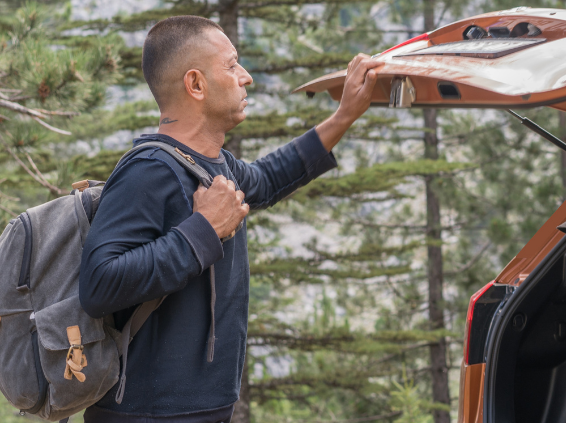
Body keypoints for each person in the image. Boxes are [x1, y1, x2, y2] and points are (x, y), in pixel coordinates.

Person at [79, 15, 381, 423]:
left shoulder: (213, 165)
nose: (247, 77)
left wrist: (344, 115)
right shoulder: (148, 171)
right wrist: (202, 230)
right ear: (196, 84)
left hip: (202, 410)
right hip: (147, 415)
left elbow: (269, 178)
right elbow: (99, 284)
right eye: (232, 65)